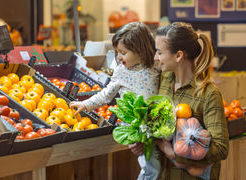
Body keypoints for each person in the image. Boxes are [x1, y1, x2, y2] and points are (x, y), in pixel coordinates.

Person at [129, 22, 229, 180]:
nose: (155, 57)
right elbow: (159, 127)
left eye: (160, 53)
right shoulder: (164, 79)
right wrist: (143, 141)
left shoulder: (208, 93)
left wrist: (176, 154)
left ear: (178, 55)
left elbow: (221, 149)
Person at [70, 22, 161, 179]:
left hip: (156, 123)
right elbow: (106, 94)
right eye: (117, 52)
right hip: (136, 126)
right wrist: (85, 104)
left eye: (123, 53)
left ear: (140, 50)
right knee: (151, 167)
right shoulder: (121, 71)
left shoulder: (155, 66)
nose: (118, 57)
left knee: (158, 165)